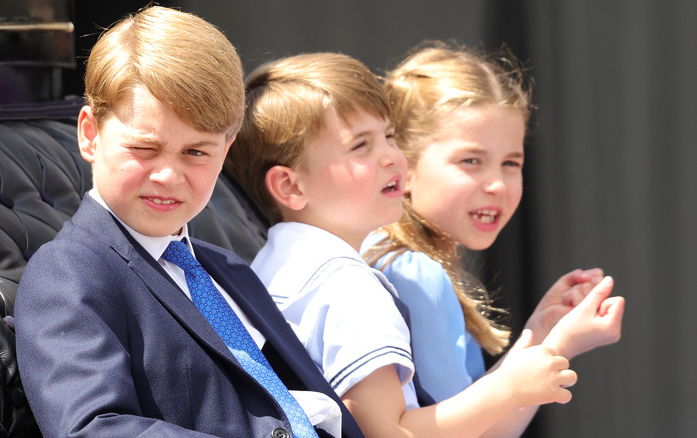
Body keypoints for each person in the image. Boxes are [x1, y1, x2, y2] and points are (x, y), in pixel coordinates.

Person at [14, 6, 364, 438]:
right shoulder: (69, 274)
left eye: (196, 152)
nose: (168, 175)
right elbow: (92, 428)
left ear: (226, 150)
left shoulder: (229, 270)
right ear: (90, 134)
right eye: (144, 148)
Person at [225, 51, 581, 438]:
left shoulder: (264, 269)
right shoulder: (352, 289)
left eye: (389, 137)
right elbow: (386, 432)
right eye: (361, 145)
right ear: (290, 186)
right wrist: (510, 388)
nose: (392, 158)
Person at [362, 41, 626, 436]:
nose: (497, 185)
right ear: (405, 166)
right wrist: (558, 347)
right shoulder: (415, 274)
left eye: (511, 163)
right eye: (471, 160)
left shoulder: (384, 254)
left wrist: (545, 331)